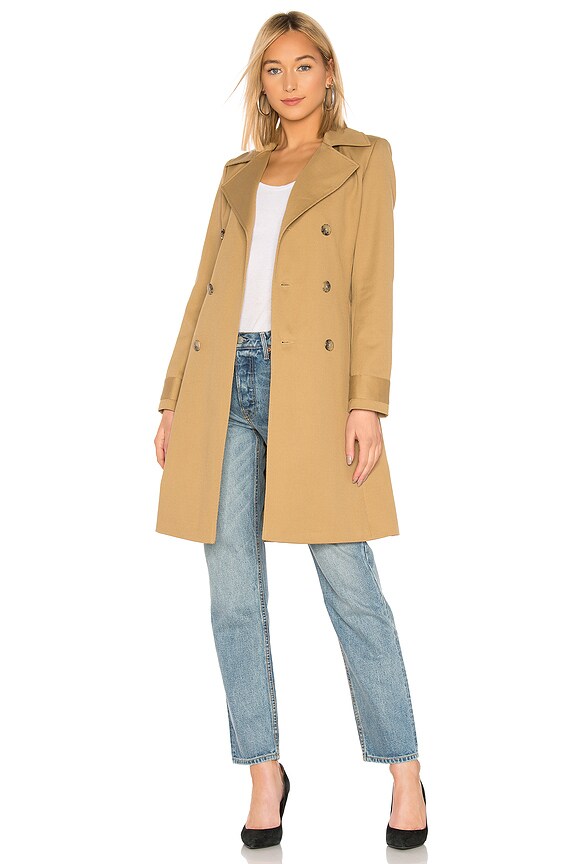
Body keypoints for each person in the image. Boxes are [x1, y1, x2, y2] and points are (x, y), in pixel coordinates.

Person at [154, 11, 428, 851]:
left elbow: (373, 283)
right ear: (262, 84)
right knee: (232, 594)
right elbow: (204, 286)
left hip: (313, 385)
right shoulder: (238, 173)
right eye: (273, 70)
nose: (289, 82)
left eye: (304, 65)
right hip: (222, 384)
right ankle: (263, 773)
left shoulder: (364, 158)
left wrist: (366, 402)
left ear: (329, 73)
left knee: (351, 584)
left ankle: (405, 771)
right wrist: (173, 398)